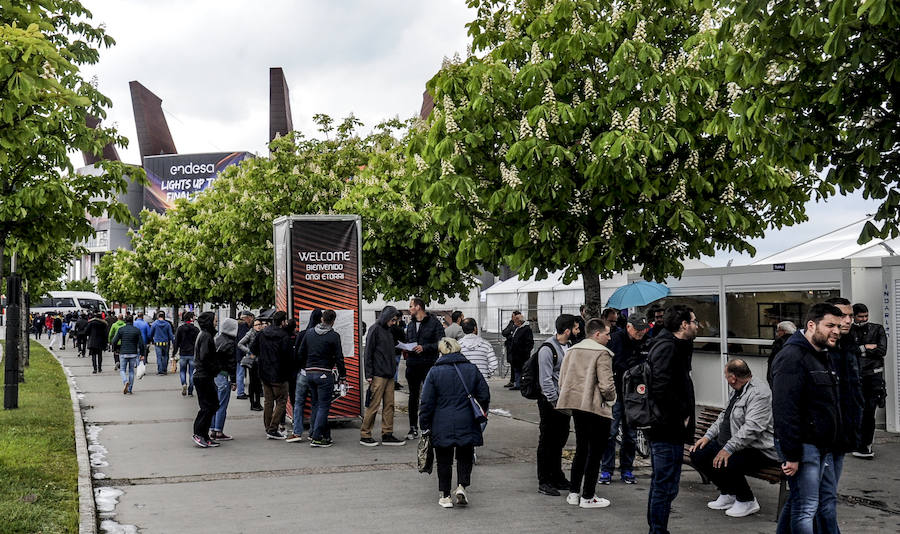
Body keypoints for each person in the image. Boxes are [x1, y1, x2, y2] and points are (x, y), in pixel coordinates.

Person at [772, 303, 843, 534]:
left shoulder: (822, 354)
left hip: (821, 446)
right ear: (811, 325)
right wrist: (792, 454)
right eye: (830, 325)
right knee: (806, 508)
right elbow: (785, 408)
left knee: (801, 502)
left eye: (839, 326)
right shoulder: (792, 357)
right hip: (804, 446)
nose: (836, 331)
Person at [689, 359, 780, 518]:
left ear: (733, 378)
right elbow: (725, 416)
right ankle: (728, 492)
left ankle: (747, 500)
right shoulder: (737, 390)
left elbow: (752, 428)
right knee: (698, 453)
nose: (725, 378)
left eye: (726, 375)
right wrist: (707, 436)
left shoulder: (759, 393)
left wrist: (728, 448)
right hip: (736, 444)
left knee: (727, 460)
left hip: (760, 450)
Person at [419, 337, 491, 508]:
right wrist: (480, 412)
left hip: (441, 421)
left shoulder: (434, 372)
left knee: (444, 459)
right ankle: (461, 486)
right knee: (465, 455)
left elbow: (426, 402)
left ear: (441, 352)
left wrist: (425, 424)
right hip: (466, 419)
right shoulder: (471, 369)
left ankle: (445, 496)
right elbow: (484, 395)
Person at [645, 304, 698, 534]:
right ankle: (657, 529)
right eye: (694, 321)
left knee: (666, 482)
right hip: (666, 426)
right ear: (684, 324)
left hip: (669, 426)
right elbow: (660, 387)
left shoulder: (677, 345)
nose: (697, 325)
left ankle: (658, 528)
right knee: (665, 484)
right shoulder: (667, 346)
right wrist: (680, 415)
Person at [557, 318, 616, 508]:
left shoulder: (572, 350)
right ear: (597, 334)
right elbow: (606, 386)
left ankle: (574, 492)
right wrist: (612, 399)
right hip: (597, 407)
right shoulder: (602, 353)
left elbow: (562, 379)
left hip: (576, 405)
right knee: (596, 452)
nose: (609, 337)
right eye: (607, 334)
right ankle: (588, 495)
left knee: (581, 449)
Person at [601, 312, 650, 484]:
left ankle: (627, 469)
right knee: (611, 432)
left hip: (636, 395)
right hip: (616, 393)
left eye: (643, 330)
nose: (640, 333)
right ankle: (606, 469)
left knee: (631, 434)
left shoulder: (646, 340)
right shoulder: (615, 339)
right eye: (637, 330)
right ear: (628, 326)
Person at [536, 314, 578, 496]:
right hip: (551, 403)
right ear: (567, 330)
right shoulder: (547, 349)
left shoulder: (568, 347)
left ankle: (557, 475)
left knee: (559, 440)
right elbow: (545, 380)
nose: (578, 331)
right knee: (547, 441)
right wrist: (554, 401)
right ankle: (544, 480)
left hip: (564, 402)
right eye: (576, 328)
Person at [299, 309, 347, 447]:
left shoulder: (309, 333)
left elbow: (301, 353)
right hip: (325, 374)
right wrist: (343, 376)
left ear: (321, 319)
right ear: (333, 321)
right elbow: (339, 358)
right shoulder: (334, 336)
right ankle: (317, 437)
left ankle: (324, 435)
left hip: (309, 373)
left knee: (316, 404)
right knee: (324, 406)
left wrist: (306, 367)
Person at [359, 306, 405, 446]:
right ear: (387, 317)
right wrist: (369, 374)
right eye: (392, 320)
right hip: (378, 374)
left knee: (389, 405)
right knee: (373, 405)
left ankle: (387, 433)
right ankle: (365, 434)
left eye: (395, 320)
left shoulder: (388, 330)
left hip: (388, 374)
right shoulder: (375, 329)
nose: (394, 323)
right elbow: (368, 353)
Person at [405, 298, 446, 440]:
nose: (409, 309)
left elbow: (441, 342)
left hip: (428, 364)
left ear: (418, 307)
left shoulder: (434, 323)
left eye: (411, 306)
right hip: (412, 364)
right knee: (413, 396)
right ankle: (412, 427)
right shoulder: (410, 325)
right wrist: (406, 348)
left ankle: (430, 425)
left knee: (429, 395)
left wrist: (424, 348)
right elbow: (408, 341)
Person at [850, 303, 887, 460]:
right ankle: (855, 442)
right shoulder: (849, 331)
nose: (864, 319)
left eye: (866, 316)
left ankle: (865, 444)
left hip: (873, 377)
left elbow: (882, 350)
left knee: (869, 411)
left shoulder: (877, 328)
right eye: (861, 316)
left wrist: (859, 351)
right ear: (854, 316)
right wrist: (865, 348)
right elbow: (847, 350)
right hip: (855, 376)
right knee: (855, 411)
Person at [251, 311, 293, 440]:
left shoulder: (263, 333)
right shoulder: (284, 336)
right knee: (281, 401)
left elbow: (253, 348)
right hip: (279, 374)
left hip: (264, 372)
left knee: (268, 401)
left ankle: (268, 427)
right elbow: (288, 356)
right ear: (283, 322)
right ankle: (273, 428)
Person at [286, 309, 322, 443]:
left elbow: (297, 355)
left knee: (299, 402)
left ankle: (297, 432)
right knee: (315, 403)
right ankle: (313, 432)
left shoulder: (302, 334)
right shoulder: (322, 335)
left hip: (303, 372)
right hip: (317, 372)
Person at [192, 312, 224, 448]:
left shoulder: (206, 335)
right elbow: (205, 357)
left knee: (212, 405)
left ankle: (203, 434)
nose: (216, 322)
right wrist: (215, 367)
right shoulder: (206, 336)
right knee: (208, 406)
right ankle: (199, 433)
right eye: (215, 320)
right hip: (203, 375)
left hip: (204, 375)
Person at [210, 317, 239, 442]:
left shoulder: (217, 339)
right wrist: (233, 380)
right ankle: (219, 431)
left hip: (214, 375)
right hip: (223, 375)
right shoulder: (230, 343)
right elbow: (232, 363)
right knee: (222, 405)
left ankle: (212, 429)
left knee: (213, 404)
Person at [110, 315, 147, 395]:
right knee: (131, 371)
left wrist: (116, 349)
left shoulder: (121, 330)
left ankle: (125, 381)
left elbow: (114, 341)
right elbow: (141, 343)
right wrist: (142, 354)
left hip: (123, 352)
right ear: (132, 321)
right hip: (133, 353)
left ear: (125, 321)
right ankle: (130, 389)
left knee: (122, 369)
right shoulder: (136, 330)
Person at [238, 316, 266, 411]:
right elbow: (240, 344)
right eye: (256, 325)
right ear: (253, 326)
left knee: (258, 383)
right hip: (252, 361)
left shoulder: (263, 333)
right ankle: (252, 404)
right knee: (253, 383)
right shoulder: (250, 333)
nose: (258, 326)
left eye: (260, 324)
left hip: (260, 360)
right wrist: (249, 351)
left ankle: (258, 403)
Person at [502, 310, 533, 390]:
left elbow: (529, 343)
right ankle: (517, 383)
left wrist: (525, 351)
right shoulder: (516, 327)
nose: (513, 321)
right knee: (516, 369)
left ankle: (521, 384)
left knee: (521, 370)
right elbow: (505, 333)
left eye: (515, 320)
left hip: (521, 354)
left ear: (519, 321)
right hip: (515, 354)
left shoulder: (526, 329)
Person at [174, 312, 200, 397]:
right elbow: (199, 343)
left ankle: (184, 383)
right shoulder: (196, 329)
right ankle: (190, 390)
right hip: (193, 354)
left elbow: (176, 342)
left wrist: (174, 353)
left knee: (182, 371)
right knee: (192, 372)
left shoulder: (180, 329)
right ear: (191, 318)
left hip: (183, 353)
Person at [767, 321, 796, 386]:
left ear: (784, 331)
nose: (776, 333)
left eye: (778, 331)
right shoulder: (798, 342)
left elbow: (774, 362)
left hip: (780, 379)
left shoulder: (779, 343)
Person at [234, 311, 254, 399]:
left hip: (240, 353)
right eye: (251, 317)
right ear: (247, 318)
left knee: (240, 373)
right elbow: (243, 341)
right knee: (240, 373)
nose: (252, 319)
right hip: (241, 353)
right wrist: (248, 351)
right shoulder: (243, 326)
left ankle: (241, 392)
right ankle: (240, 393)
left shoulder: (240, 325)